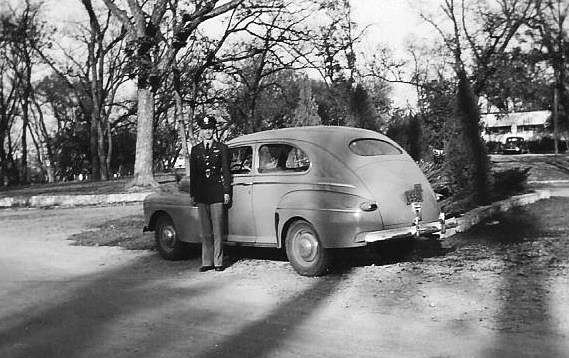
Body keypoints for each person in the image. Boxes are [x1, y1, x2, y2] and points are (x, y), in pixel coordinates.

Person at [189, 115, 231, 272]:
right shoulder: (195, 150)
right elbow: (194, 174)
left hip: (216, 192)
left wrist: (226, 191)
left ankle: (218, 262)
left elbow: (226, 171)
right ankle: (207, 261)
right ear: (200, 131)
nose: (208, 132)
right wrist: (193, 194)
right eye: (205, 129)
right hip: (201, 193)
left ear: (214, 130)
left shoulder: (222, 148)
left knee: (218, 229)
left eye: (210, 129)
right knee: (205, 230)